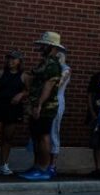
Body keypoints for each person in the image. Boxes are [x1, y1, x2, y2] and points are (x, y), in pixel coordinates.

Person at [21, 31, 70, 181]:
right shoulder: (44, 62)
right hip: (38, 103)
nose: (41, 47)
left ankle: (44, 168)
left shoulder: (53, 65)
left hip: (46, 106)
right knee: (36, 136)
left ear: (52, 47)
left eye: (44, 45)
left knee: (44, 136)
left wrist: (39, 105)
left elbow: (48, 86)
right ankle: (37, 166)